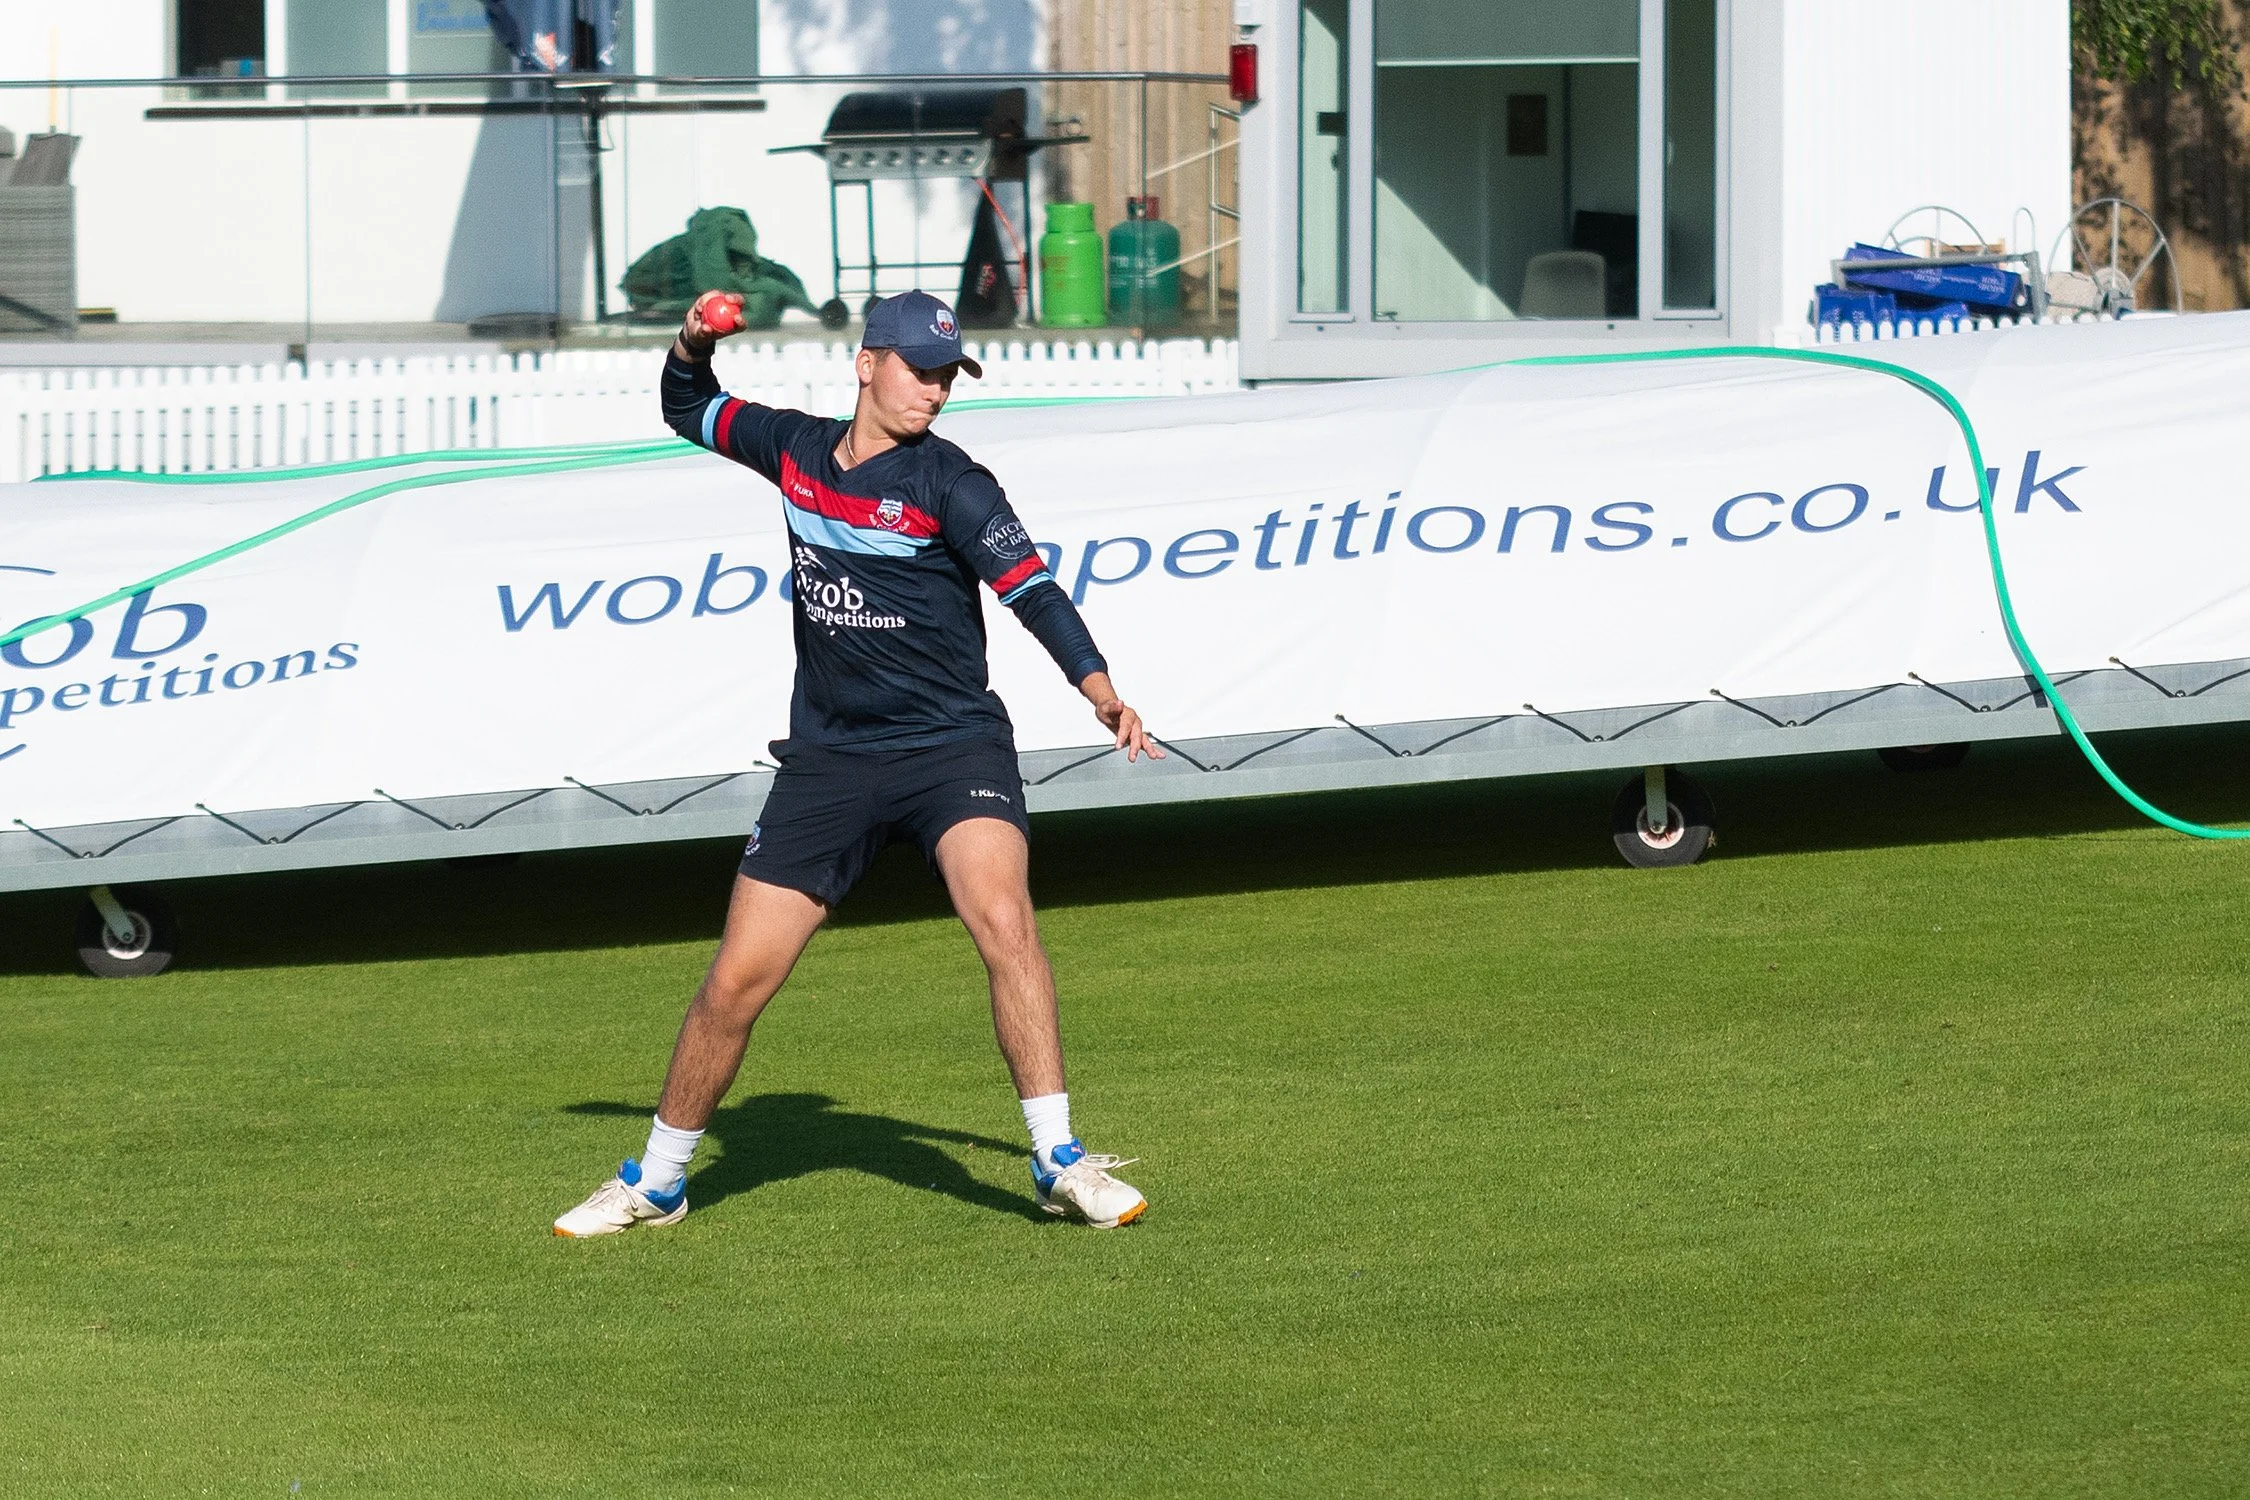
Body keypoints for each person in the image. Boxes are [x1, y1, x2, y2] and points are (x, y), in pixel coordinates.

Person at [554, 288, 1160, 1237]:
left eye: (949, 377)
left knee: (1004, 919)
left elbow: (1033, 590)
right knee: (736, 980)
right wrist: (694, 339)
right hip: (829, 762)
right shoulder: (794, 450)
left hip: (952, 746)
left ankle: (1059, 1160)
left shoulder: (954, 482)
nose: (935, 393)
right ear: (867, 363)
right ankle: (658, 1182)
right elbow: (686, 406)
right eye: (921, 372)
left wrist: (1099, 687)